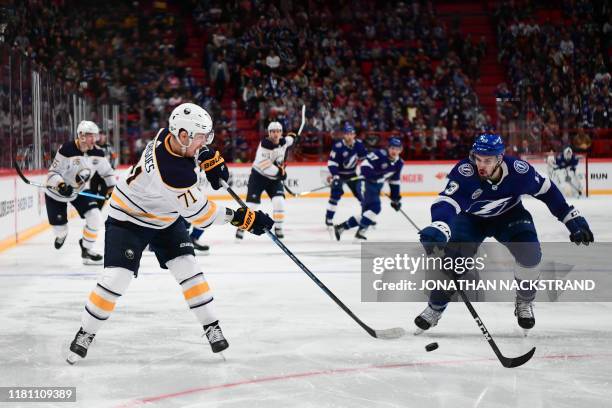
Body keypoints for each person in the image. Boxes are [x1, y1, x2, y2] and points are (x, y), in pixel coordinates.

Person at [66, 103, 274, 364]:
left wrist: (206, 155)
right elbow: (201, 215)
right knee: (117, 278)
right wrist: (243, 218)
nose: (206, 140)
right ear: (184, 135)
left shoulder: (168, 134)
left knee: (188, 267)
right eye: (202, 136)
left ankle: (211, 326)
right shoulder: (173, 174)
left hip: (165, 217)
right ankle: (86, 332)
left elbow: (191, 154)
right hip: (129, 218)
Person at [415, 133, 593, 334]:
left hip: (509, 215)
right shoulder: (465, 172)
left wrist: (570, 217)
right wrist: (440, 225)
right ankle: (435, 307)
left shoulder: (519, 171)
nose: (481, 165)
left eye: (487, 160)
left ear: (499, 159)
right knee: (454, 260)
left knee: (530, 253)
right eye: (478, 158)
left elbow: (547, 190)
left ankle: (524, 302)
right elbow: (447, 202)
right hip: (471, 219)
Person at [45, 120, 116, 264]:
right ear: (82, 135)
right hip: (56, 194)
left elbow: (107, 173)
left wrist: (111, 188)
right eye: (91, 136)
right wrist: (61, 185)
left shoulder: (98, 153)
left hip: (79, 191)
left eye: (95, 136)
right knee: (61, 230)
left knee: (95, 217)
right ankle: (61, 235)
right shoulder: (66, 149)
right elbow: (52, 173)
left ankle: (86, 249)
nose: (95, 139)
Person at [333, 137, 404, 241]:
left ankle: (342, 227)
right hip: (365, 183)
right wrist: (372, 176)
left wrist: (395, 198)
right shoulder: (379, 154)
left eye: (397, 149)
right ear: (388, 148)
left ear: (401, 150)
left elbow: (394, 182)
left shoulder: (399, 163)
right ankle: (361, 232)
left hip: (376, 187)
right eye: (392, 148)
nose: (394, 151)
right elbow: (365, 165)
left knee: (366, 214)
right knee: (375, 208)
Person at [237, 121, 296, 240]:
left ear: (281, 133)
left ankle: (278, 227)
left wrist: (293, 136)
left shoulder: (284, 141)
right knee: (252, 205)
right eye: (273, 132)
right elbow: (265, 166)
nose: (275, 134)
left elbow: (289, 140)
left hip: (274, 180)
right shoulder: (264, 146)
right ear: (269, 133)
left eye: (278, 131)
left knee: (279, 201)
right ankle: (241, 227)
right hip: (258, 176)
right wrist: (280, 173)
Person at [325, 123, 367, 228]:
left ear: (354, 135)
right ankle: (329, 218)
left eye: (351, 134)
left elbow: (365, 161)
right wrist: (335, 175)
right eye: (347, 134)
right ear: (344, 135)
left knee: (361, 195)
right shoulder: (338, 146)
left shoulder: (359, 145)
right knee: (335, 196)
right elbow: (331, 163)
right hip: (339, 175)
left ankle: (367, 216)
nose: (349, 136)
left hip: (353, 174)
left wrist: (365, 173)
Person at [89, 130, 118, 209]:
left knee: (103, 193)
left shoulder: (109, 147)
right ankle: (94, 209)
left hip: (105, 174)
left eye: (103, 135)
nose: (101, 137)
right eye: (100, 135)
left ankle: (99, 209)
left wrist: (112, 167)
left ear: (105, 137)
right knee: (93, 192)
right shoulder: (93, 147)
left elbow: (115, 157)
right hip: (95, 173)